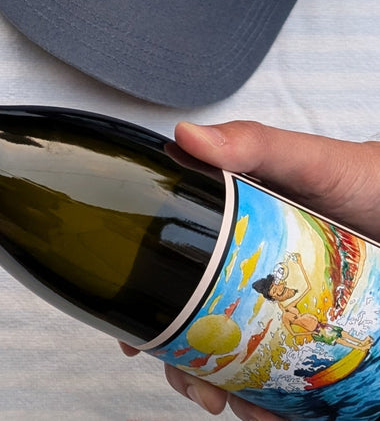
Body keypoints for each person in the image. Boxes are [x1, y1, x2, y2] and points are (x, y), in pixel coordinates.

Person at [119, 120, 380, 421]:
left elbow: (303, 299)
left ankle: (361, 346)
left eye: (281, 287)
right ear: (274, 294)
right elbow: (294, 328)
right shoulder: (288, 312)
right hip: (319, 332)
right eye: (279, 289)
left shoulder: (289, 307)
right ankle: (361, 347)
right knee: (340, 339)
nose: (284, 288)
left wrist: (297, 268)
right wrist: (303, 332)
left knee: (344, 338)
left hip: (318, 329)